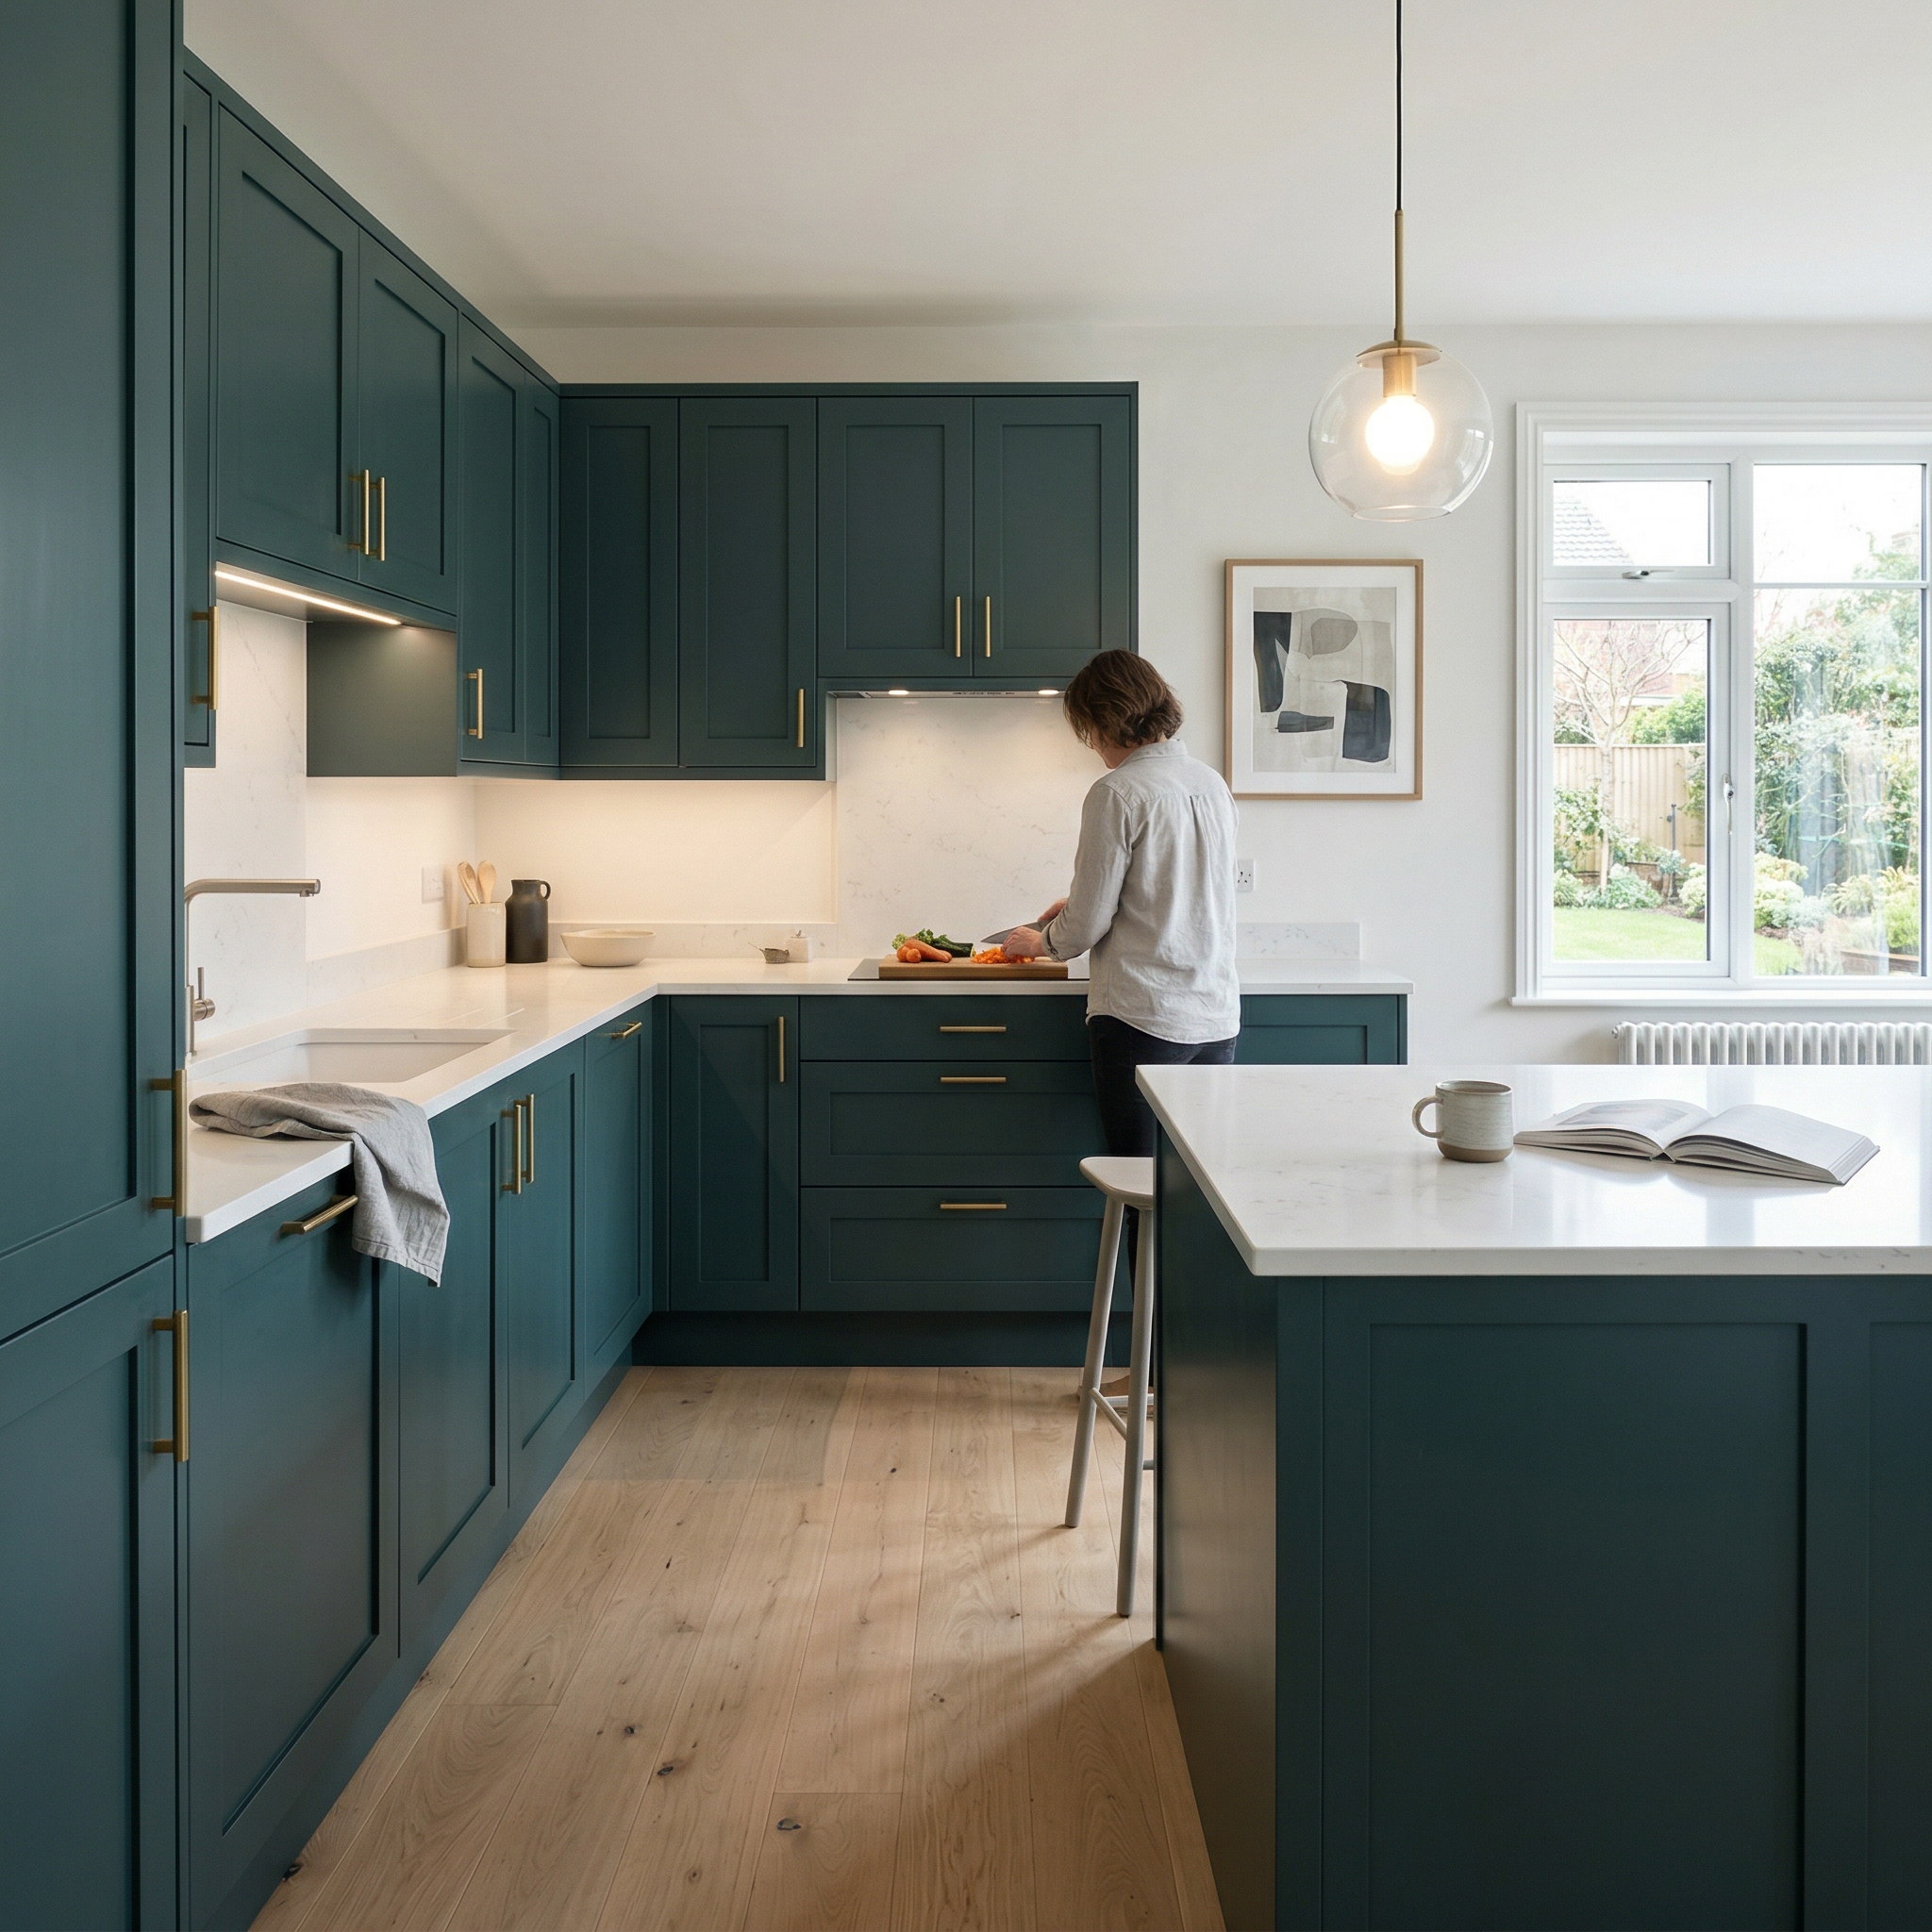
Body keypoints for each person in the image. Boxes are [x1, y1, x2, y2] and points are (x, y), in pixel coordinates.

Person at [1005, 650, 1241, 1166]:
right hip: (1214, 1017)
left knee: (1139, 1180)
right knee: (1197, 1184)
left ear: (1106, 718)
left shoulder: (1116, 792)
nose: (1090, 745)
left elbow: (1084, 927)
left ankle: (1137, 1254)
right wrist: (1093, 900)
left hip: (1143, 1017)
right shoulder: (1211, 783)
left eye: (1088, 729)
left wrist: (1040, 942)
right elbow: (1187, 888)